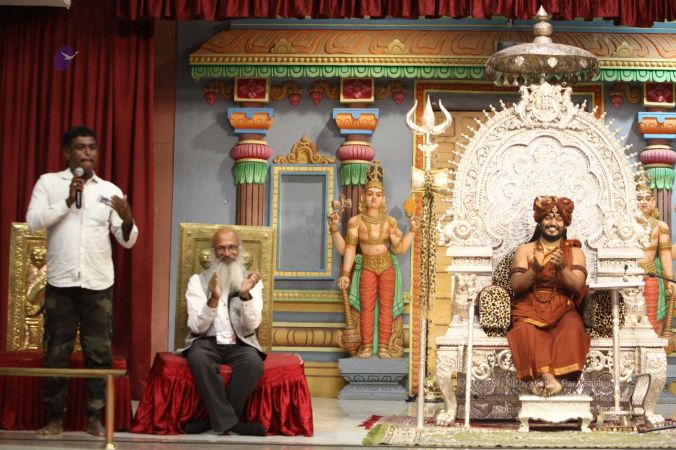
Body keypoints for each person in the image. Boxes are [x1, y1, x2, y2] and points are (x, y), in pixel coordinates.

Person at [26, 126, 138, 436]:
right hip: (61, 284)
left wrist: (127, 218)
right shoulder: (49, 183)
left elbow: (127, 240)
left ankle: (95, 417)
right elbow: (33, 222)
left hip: (98, 284)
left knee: (99, 354)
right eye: (79, 147)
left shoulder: (110, 190)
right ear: (66, 152)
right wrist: (66, 202)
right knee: (56, 353)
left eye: (91, 147)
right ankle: (55, 418)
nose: (87, 152)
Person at [178, 228, 266, 436]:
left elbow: (252, 325)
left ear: (239, 250)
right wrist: (214, 299)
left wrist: (245, 295)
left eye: (232, 248)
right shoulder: (197, 281)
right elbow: (196, 327)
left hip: (240, 342)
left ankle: (213, 421)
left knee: (253, 363)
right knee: (198, 358)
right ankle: (234, 424)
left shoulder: (252, 281)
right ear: (213, 251)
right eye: (221, 249)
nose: (227, 253)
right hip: (207, 342)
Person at [329, 161, 418, 359]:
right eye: (370, 194)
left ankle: (384, 347)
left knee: (386, 307)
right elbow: (347, 249)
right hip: (367, 266)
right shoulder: (356, 222)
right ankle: (367, 346)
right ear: (363, 197)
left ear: (383, 198)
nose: (374, 198)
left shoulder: (390, 222)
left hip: (386, 265)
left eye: (378, 194)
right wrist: (345, 273)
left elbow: (399, 249)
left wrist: (412, 230)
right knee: (366, 307)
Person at [507, 196, 589, 396]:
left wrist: (562, 267)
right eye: (548, 218)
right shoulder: (525, 250)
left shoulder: (575, 252)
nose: (553, 223)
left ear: (565, 223)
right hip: (529, 305)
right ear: (539, 221)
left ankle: (545, 382)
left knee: (573, 328)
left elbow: (577, 285)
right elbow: (517, 286)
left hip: (563, 306)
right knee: (525, 330)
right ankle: (549, 379)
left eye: (559, 219)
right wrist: (535, 268)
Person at [635, 172, 675, 336]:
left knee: (651, 318)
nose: (643, 202)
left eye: (647, 199)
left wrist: (670, 279)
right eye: (639, 198)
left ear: (653, 203)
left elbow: (665, 254)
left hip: (650, 274)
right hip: (629, 275)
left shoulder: (660, 226)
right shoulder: (626, 225)